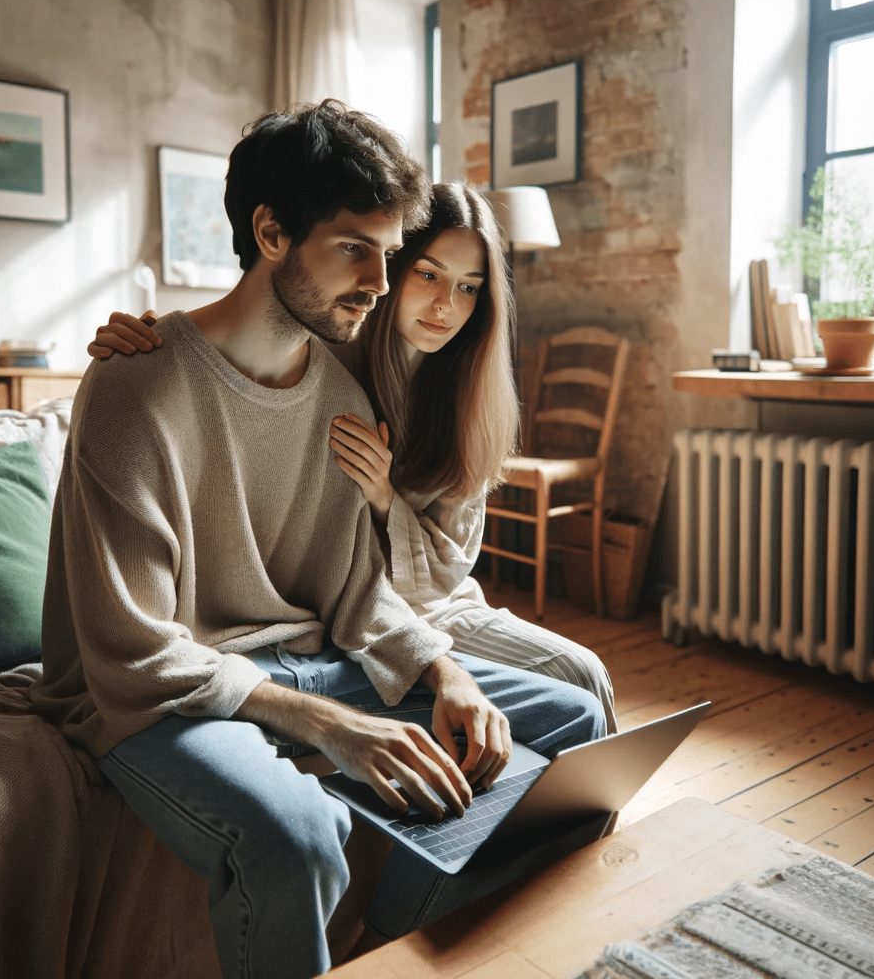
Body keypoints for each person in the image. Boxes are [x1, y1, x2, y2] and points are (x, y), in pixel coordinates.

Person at [32, 101, 605, 979]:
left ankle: (387, 951)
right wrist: (331, 726)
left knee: (574, 719)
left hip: (307, 656)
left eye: (389, 251)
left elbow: (358, 595)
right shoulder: (135, 389)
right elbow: (132, 652)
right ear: (269, 232)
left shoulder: (343, 400)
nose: (383, 281)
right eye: (355, 248)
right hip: (158, 698)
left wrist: (444, 671)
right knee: (297, 834)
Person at [91, 182, 617, 731]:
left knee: (582, 674)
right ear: (393, 266)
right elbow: (234, 351)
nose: (445, 305)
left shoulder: (471, 395)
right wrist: (156, 337)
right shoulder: (324, 357)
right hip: (342, 609)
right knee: (574, 678)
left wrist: (387, 498)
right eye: (428, 274)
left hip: (430, 601)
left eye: (468, 287)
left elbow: (445, 572)